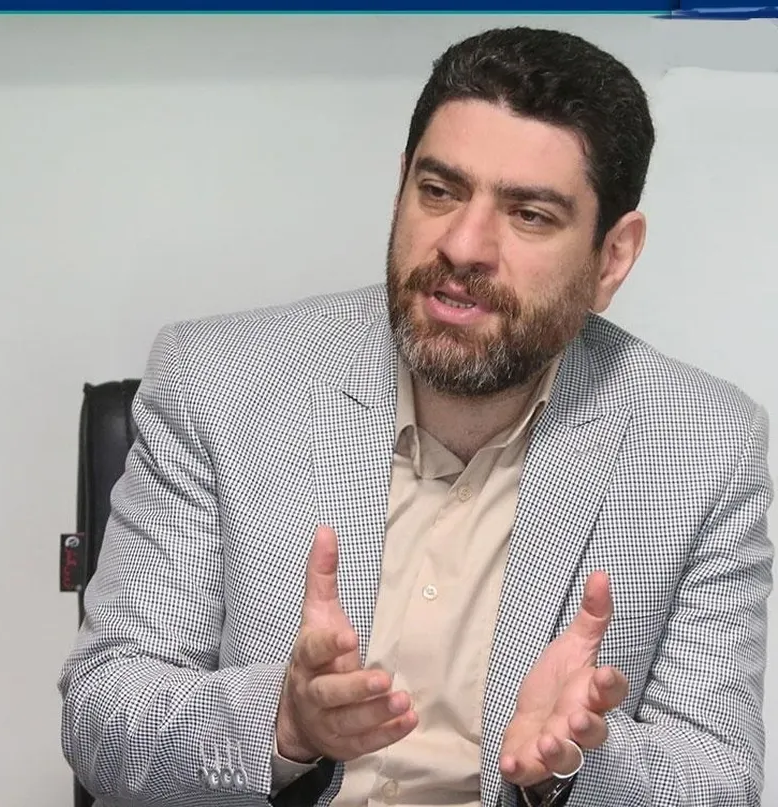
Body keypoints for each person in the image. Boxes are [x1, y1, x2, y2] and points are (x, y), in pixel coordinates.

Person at [56, 25, 773, 807]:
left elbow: (720, 781)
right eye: (440, 191)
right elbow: (103, 713)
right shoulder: (217, 382)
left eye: (530, 214)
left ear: (613, 256)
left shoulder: (705, 447)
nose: (463, 245)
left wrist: (573, 765)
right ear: (401, 187)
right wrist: (283, 724)